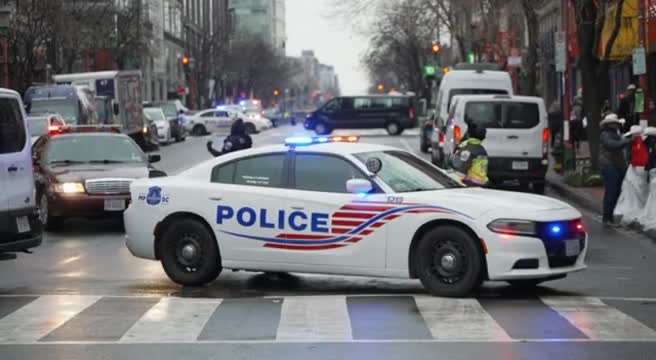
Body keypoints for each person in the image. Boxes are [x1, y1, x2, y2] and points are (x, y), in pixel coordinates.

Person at [599, 113, 632, 226]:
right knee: (611, 192)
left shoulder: (615, 133)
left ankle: (609, 217)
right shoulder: (605, 134)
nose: (617, 125)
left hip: (615, 166)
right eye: (615, 123)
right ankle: (607, 217)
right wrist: (627, 141)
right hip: (610, 166)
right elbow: (612, 145)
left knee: (615, 192)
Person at [451, 122, 489, 187]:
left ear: (468, 134)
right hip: (482, 183)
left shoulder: (467, 150)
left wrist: (452, 181)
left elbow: (460, 171)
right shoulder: (482, 150)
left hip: (471, 183)